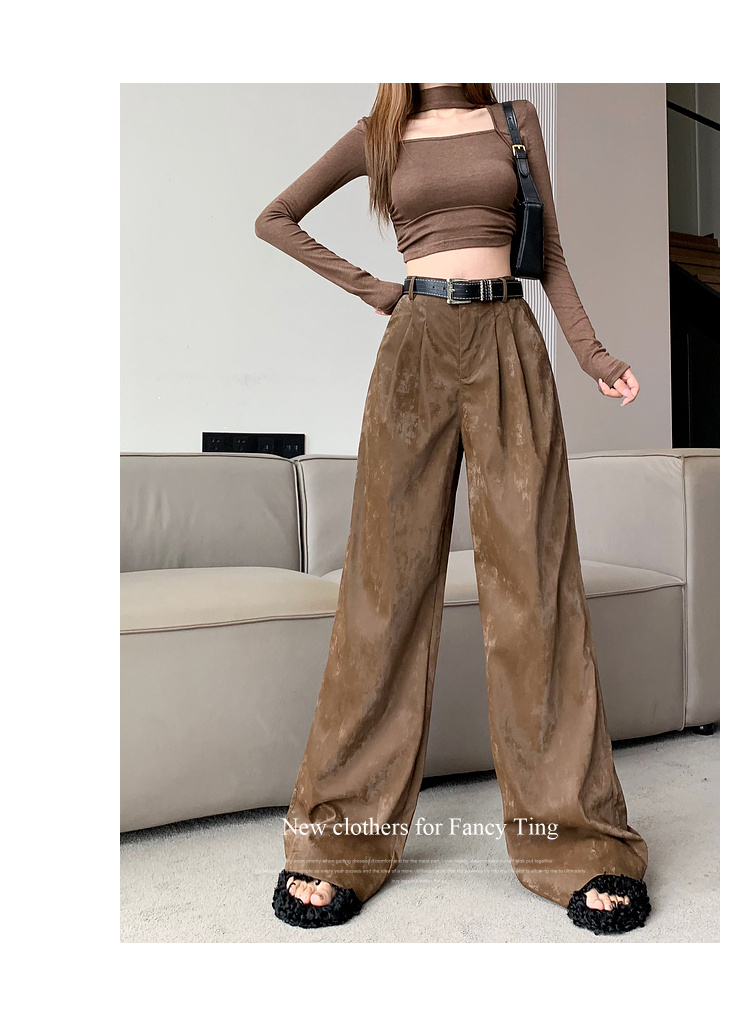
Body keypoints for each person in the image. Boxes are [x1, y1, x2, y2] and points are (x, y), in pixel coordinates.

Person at [254, 83, 650, 935]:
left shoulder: (514, 121)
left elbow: (550, 254)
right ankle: (338, 839)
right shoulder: (379, 132)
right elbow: (275, 218)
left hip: (510, 340)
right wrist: (376, 290)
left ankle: (576, 842)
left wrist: (592, 354)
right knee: (384, 591)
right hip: (418, 347)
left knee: (536, 591)